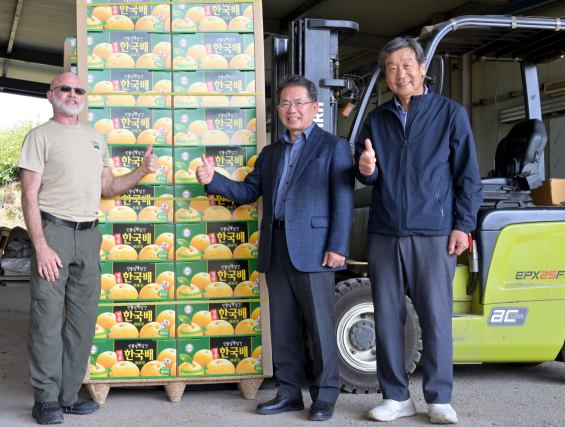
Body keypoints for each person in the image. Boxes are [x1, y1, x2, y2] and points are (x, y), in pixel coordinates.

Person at [196, 75, 354, 421]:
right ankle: (288, 393)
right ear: (278, 110)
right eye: (285, 103)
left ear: (314, 108)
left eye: (299, 103)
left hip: (315, 248)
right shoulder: (271, 153)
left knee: (320, 327)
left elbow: (343, 199)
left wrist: (337, 246)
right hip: (276, 245)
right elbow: (248, 192)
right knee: (282, 326)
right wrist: (214, 180)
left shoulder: (333, 146)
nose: (292, 109)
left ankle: (325, 397)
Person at [354, 38, 483, 424]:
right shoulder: (377, 119)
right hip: (385, 231)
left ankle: (439, 397)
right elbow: (371, 174)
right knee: (388, 316)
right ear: (386, 76)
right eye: (391, 68)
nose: (400, 73)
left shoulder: (450, 114)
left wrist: (463, 225)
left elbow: (468, 178)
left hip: (434, 231)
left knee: (436, 314)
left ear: (422, 68)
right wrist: (366, 168)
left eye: (407, 64)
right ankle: (395, 396)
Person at [18, 72, 159, 425]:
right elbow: (28, 195)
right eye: (64, 88)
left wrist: (141, 171)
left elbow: (109, 187)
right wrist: (41, 245)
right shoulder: (39, 137)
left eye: (78, 89)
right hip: (54, 232)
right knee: (47, 319)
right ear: (50, 95)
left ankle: (67, 396)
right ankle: (45, 399)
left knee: (82, 321)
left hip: (89, 234)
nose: (72, 94)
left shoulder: (96, 139)